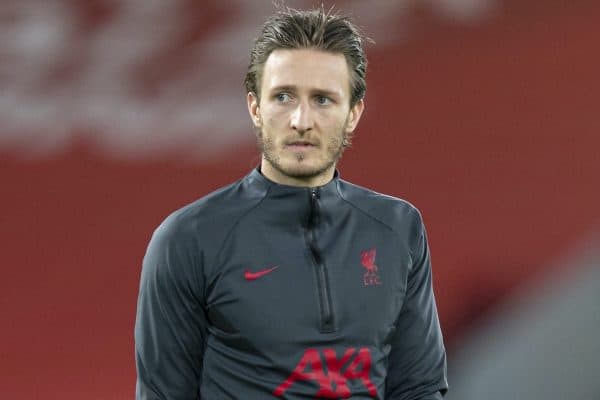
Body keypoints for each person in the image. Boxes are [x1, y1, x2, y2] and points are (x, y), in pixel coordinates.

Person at [135, 6, 448, 400]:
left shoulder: (398, 229)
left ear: (353, 114)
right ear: (255, 107)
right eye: (283, 96)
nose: (301, 119)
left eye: (322, 100)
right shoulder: (188, 239)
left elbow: (418, 388)